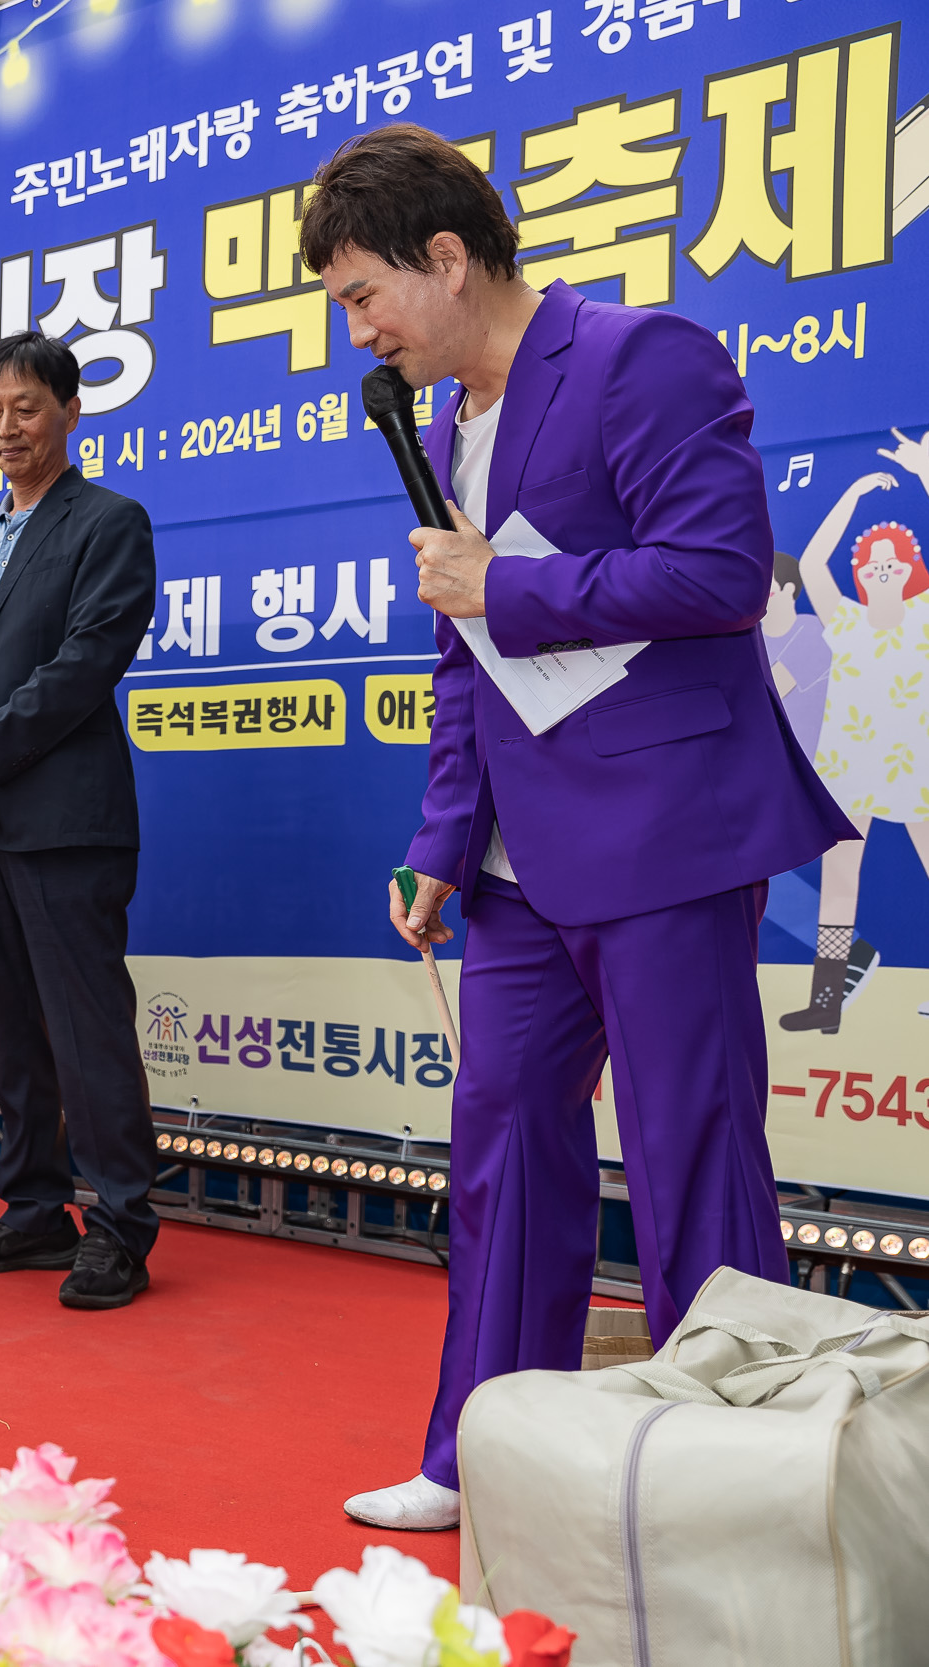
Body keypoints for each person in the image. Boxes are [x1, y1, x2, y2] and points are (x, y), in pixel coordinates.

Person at [304, 124, 856, 1530]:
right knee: (498, 1142)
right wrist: (440, 842)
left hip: (665, 828)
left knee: (689, 1146)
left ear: (445, 258)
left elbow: (723, 571)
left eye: (363, 295)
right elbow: (460, 650)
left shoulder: (638, 354)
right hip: (514, 863)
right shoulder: (441, 421)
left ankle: (720, 1471)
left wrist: (510, 587)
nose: (354, 330)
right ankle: (477, 1445)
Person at [0, 331, 160, 1311]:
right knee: (15, 1027)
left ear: (69, 410)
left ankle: (122, 1222)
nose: (5, 426)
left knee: (85, 1028)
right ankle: (31, 1205)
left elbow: (85, 662)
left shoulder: (108, 521)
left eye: (25, 406)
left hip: (64, 820)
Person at [779, 454, 927, 1033]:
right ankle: (827, 1001)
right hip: (850, 767)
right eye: (871, 562)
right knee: (839, 883)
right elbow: (814, 560)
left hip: (915, 763)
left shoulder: (923, 615)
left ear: (910, 567)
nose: (881, 568)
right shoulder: (844, 619)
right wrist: (855, 493)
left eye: (892, 561)